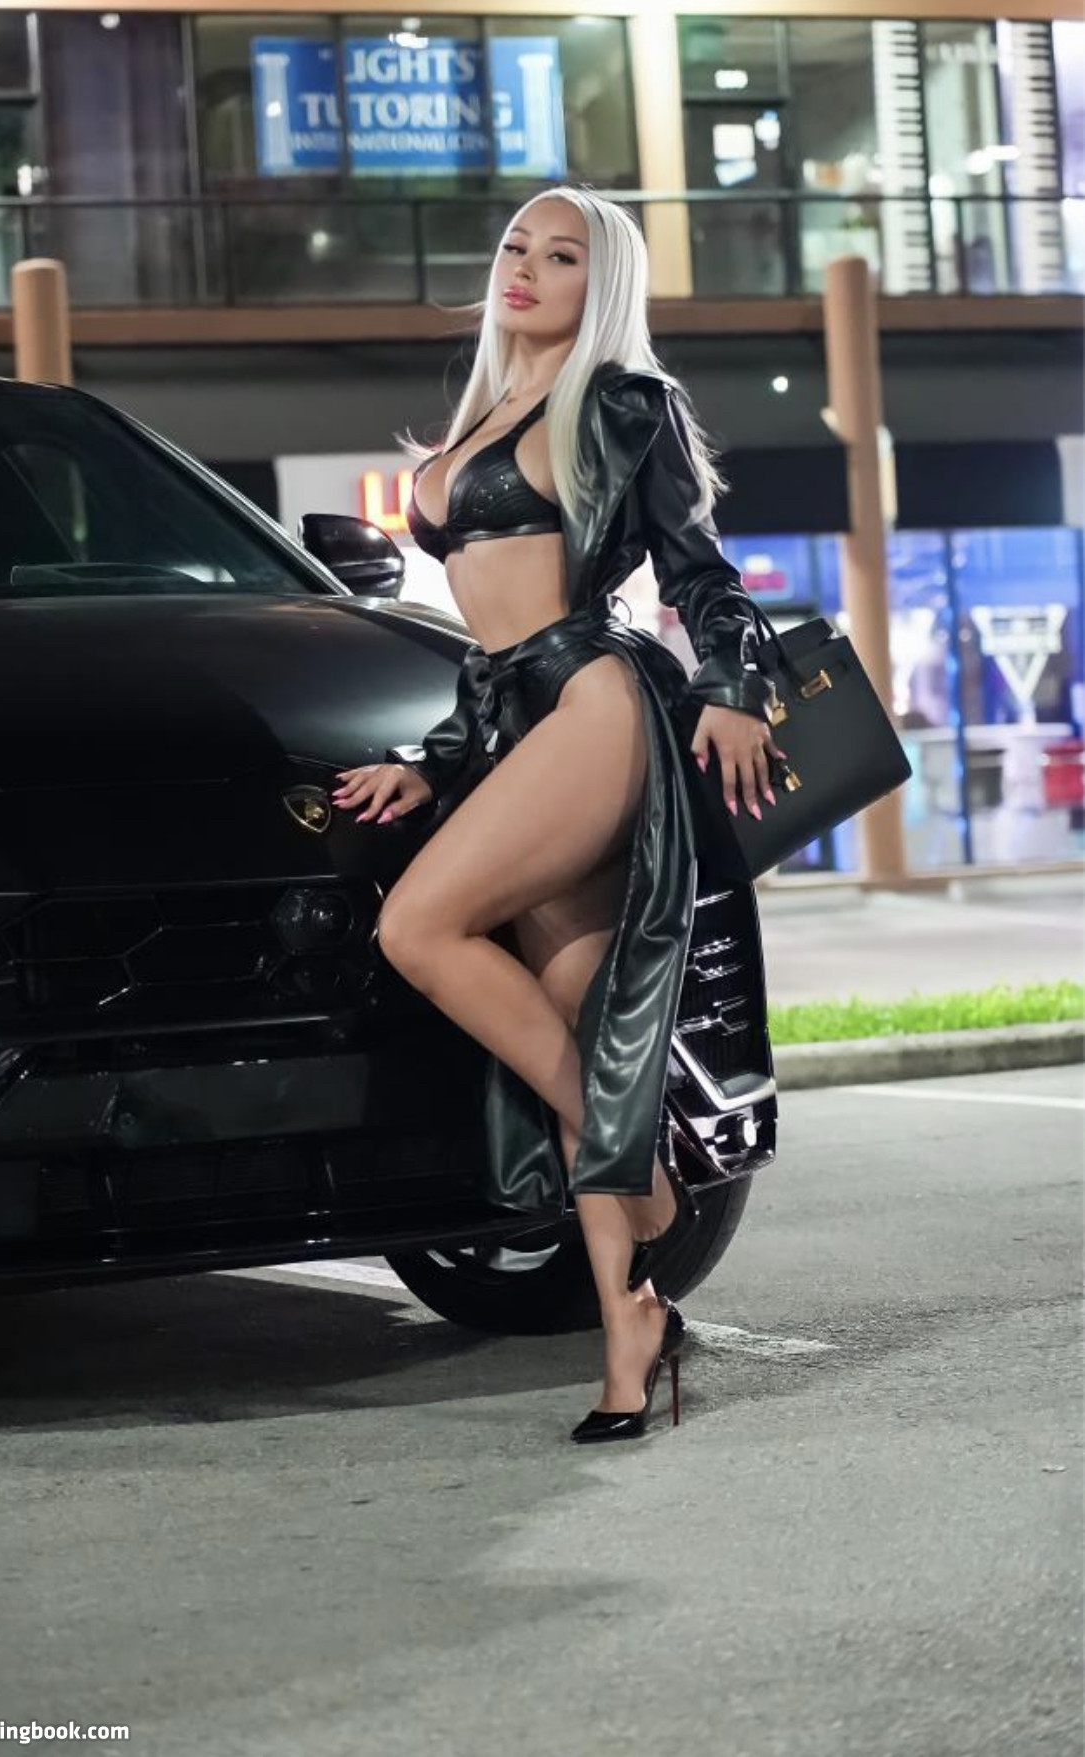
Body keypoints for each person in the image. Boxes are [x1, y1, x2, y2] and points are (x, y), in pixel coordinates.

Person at [332, 185, 783, 1443]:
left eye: (562, 253)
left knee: (419, 926)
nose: (525, 266)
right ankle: (630, 1329)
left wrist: (735, 686)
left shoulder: (625, 403)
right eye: (515, 245)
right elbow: (486, 646)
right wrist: (436, 762)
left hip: (593, 704)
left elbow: (702, 574)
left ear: (605, 282)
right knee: (571, 1023)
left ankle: (644, 1174)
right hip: (510, 721)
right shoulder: (485, 409)